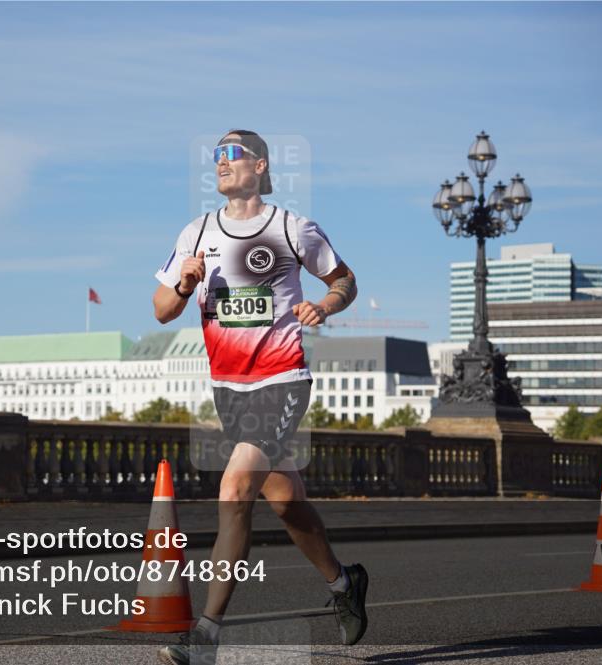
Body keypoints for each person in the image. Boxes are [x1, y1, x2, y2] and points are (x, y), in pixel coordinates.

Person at [153, 130, 368, 664]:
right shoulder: (197, 232)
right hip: (229, 389)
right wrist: (183, 285)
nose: (221, 163)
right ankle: (344, 584)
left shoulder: (292, 228)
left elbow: (345, 281)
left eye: (233, 154)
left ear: (261, 165)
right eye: (216, 156)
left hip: (282, 380)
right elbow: (161, 309)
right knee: (286, 502)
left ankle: (205, 637)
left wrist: (325, 305)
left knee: (234, 488)